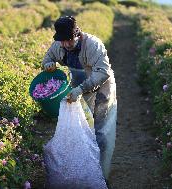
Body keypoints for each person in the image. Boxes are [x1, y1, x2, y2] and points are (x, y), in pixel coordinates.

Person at [42, 15, 117, 185]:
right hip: (78, 89)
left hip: (102, 87)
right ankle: (84, 171)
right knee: (82, 128)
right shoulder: (59, 45)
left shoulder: (93, 45)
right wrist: (47, 64)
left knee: (101, 131)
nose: (67, 44)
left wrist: (81, 89)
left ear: (77, 34)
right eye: (63, 41)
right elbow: (47, 58)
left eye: (70, 39)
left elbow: (103, 72)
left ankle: (101, 177)